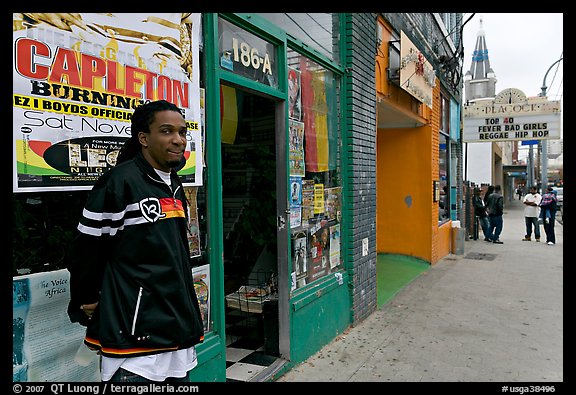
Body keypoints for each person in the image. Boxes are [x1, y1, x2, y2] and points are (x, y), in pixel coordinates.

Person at [66, 100, 204, 382]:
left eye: (182, 132)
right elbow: (87, 249)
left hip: (174, 328)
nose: (178, 140)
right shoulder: (119, 183)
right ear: (143, 138)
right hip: (136, 336)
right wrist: (87, 298)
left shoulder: (174, 184)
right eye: (167, 131)